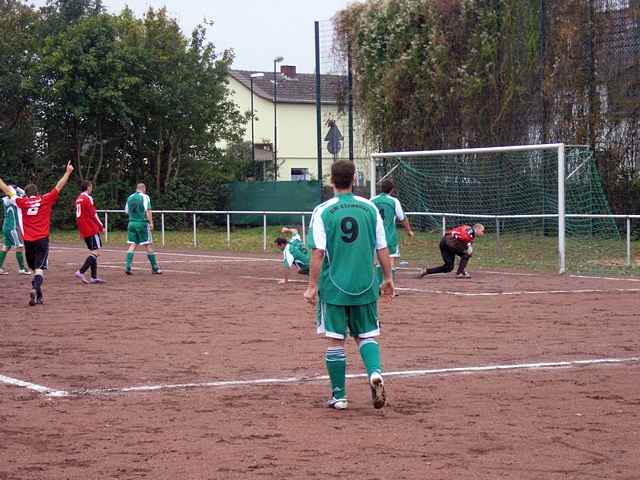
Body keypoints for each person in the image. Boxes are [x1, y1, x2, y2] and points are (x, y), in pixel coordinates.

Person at [304, 160, 394, 411]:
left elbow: (318, 252)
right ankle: (375, 373)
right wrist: (388, 278)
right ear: (354, 179)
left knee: (335, 340)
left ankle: (339, 396)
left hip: (334, 287)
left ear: (331, 180)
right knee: (366, 335)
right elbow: (382, 247)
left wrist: (312, 285)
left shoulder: (322, 210)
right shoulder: (369, 208)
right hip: (366, 285)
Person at [0, 162, 74, 305]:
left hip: (28, 241)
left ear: (26, 194)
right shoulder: (45, 199)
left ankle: (39, 296)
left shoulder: (21, 202)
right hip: (42, 239)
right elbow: (58, 186)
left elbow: (7, 190)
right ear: (37, 192)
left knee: (34, 269)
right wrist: (68, 172)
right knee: (39, 269)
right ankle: (35, 289)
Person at [371, 179, 414, 281]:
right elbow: (402, 217)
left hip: (375, 236)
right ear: (392, 190)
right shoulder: (394, 201)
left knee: (378, 261)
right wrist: (409, 231)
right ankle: (391, 287)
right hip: (389, 236)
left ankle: (379, 286)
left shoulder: (371, 200)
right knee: (390, 260)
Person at [419, 223, 485, 279]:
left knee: (449, 267)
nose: (483, 233)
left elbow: (459, 233)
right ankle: (460, 272)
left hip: (445, 242)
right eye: (482, 231)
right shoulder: (470, 232)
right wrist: (466, 246)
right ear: (477, 229)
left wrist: (465, 246)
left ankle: (426, 271)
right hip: (450, 242)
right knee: (467, 253)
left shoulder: (469, 231)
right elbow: (461, 236)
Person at [124, 183, 161, 275]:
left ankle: (128, 266)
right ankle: (155, 268)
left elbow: (126, 211)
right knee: (148, 244)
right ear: (143, 189)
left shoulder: (129, 197)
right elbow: (148, 210)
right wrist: (151, 222)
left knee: (133, 244)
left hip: (131, 223)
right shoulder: (145, 197)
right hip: (141, 223)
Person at [74, 180, 105, 284]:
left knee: (93, 251)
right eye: (91, 187)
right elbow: (93, 214)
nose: (91, 189)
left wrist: (81, 231)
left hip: (84, 228)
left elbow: (79, 216)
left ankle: (93, 277)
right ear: (88, 187)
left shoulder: (78, 199)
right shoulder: (88, 198)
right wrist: (101, 226)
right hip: (91, 228)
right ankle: (81, 272)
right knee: (96, 252)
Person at [0, 186, 31, 276]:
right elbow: (25, 194)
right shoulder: (15, 199)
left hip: (6, 226)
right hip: (13, 227)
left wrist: (12, 188)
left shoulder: (6, 199)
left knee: (6, 247)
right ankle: (22, 268)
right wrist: (17, 188)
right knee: (20, 246)